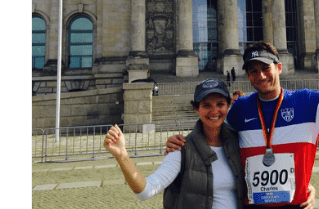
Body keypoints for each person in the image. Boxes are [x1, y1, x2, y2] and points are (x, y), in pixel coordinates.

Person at [168, 27, 319, 208]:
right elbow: (212, 138)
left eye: (266, 68)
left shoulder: (308, 102)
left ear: (279, 67)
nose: (261, 76)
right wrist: (181, 144)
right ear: (248, 76)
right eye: (253, 71)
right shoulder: (239, 109)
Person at [104, 78, 246, 208]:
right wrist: (122, 156)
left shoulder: (239, 143)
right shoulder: (181, 149)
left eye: (220, 104)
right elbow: (146, 190)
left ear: (228, 106)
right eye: (206, 105)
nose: (214, 111)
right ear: (197, 109)